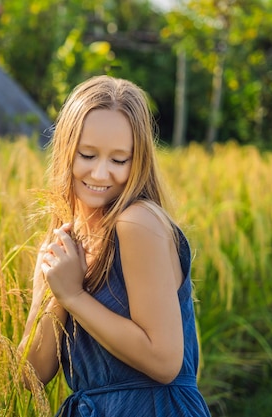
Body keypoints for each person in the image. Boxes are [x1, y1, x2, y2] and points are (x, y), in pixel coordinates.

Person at [18, 75, 211, 416]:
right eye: (88, 154)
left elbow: (165, 362)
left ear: (138, 162)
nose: (100, 173)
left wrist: (74, 297)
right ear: (65, 150)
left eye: (119, 160)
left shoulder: (137, 223)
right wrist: (55, 294)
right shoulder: (59, 244)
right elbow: (30, 374)